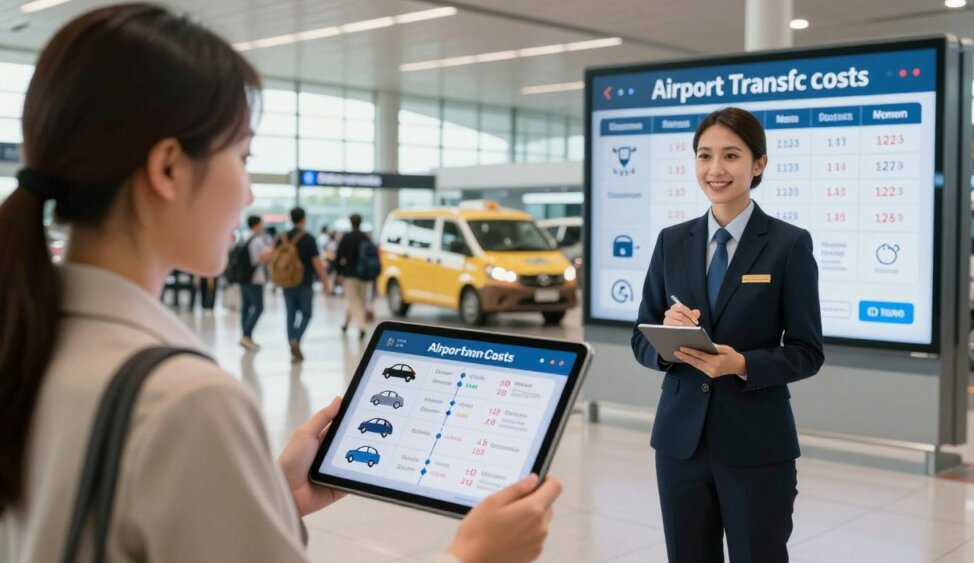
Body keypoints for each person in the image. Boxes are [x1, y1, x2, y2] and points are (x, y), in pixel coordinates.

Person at [0, 5, 561, 562]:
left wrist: (262, 497)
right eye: (242, 156)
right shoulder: (185, 398)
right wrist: (474, 556)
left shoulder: (27, 339)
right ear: (168, 168)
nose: (246, 194)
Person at [630, 107, 824, 563]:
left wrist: (741, 363)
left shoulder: (788, 244)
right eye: (705, 156)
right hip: (680, 442)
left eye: (731, 156)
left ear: (758, 164)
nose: (715, 170)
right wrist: (667, 343)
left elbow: (806, 351)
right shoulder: (671, 241)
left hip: (755, 441)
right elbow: (639, 337)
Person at [278, 207, 331, 362]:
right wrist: (325, 281)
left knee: (290, 314)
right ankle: (297, 339)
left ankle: (291, 340)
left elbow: (273, 257)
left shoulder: (283, 237)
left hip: (286, 282)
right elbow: (316, 262)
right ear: (303, 219)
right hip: (304, 282)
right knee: (307, 313)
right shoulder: (308, 238)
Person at [333, 213, 373, 339]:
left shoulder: (347, 238)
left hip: (350, 275)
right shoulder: (365, 238)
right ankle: (346, 324)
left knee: (353, 301)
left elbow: (338, 256)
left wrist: (338, 272)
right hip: (364, 275)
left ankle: (362, 327)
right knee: (358, 301)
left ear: (351, 223)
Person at [240, 215, 273, 351]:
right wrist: (271, 252)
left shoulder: (244, 237)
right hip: (255, 278)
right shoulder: (257, 240)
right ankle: (246, 336)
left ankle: (246, 336)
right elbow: (258, 259)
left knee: (246, 308)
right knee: (259, 308)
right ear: (257, 225)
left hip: (243, 277)